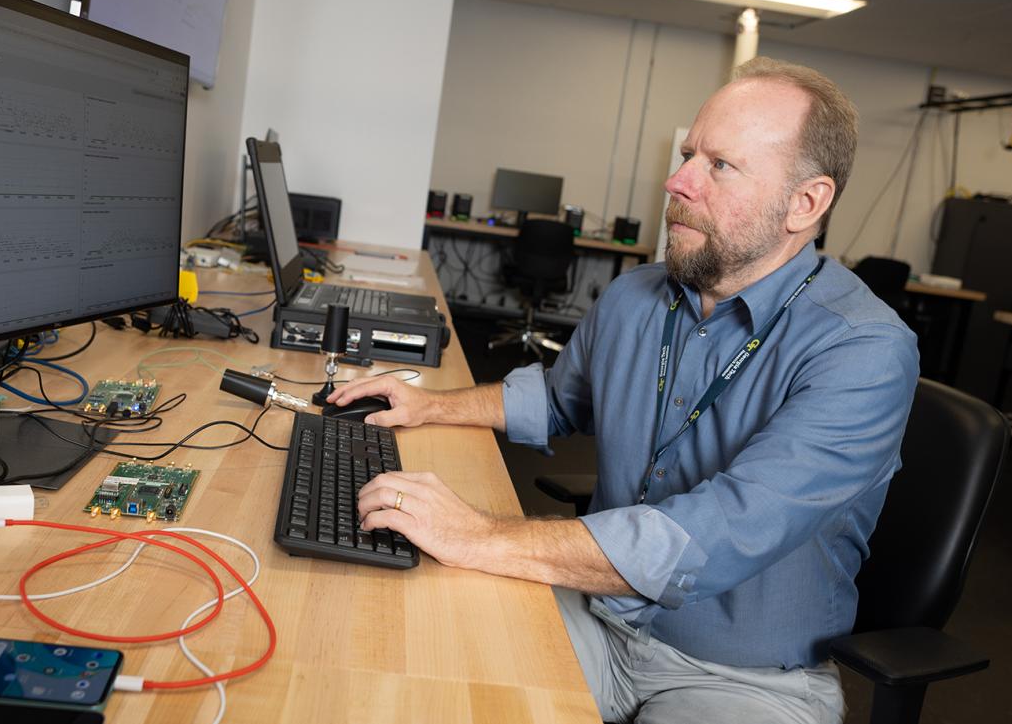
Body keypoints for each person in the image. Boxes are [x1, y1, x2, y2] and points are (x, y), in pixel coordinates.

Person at [332, 56, 920, 723]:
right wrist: (431, 405)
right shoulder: (636, 295)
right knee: (398, 650)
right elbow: (559, 399)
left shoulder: (864, 350)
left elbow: (715, 533)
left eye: (720, 165)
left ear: (805, 203)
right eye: (689, 154)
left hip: (743, 679)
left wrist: (480, 535)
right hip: (598, 613)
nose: (677, 180)